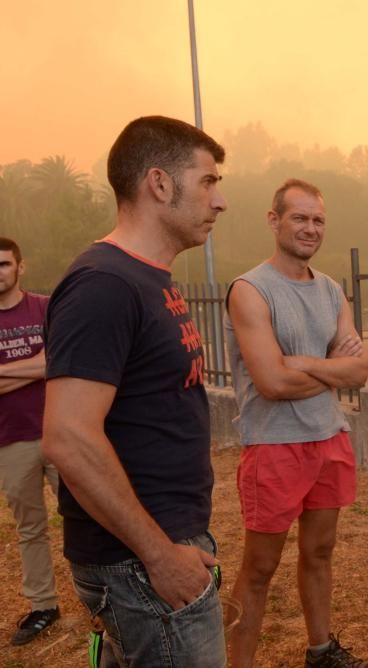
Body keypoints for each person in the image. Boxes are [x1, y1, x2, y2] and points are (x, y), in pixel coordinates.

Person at [42, 116, 228, 666]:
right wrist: (160, 556)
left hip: (156, 553)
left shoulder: (149, 278)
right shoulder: (105, 284)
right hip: (141, 565)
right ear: (160, 184)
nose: (219, 202)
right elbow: (68, 438)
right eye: (208, 182)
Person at [224, 179, 368, 668]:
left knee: (321, 552)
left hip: (328, 439)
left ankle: (321, 650)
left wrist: (300, 363)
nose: (310, 228)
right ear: (274, 220)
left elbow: (359, 372)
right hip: (273, 446)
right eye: (300, 218)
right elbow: (270, 383)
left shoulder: (331, 290)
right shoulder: (250, 290)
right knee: (260, 568)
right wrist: (328, 367)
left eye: (318, 220)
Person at [0, 238, 61, 646]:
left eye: (4, 264)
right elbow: (45, 364)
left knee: (87, 516)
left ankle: (106, 595)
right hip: (10, 439)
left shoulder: (45, 308)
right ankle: (44, 605)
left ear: (20, 267)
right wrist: (37, 368)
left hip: (61, 430)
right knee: (30, 528)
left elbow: (61, 360)